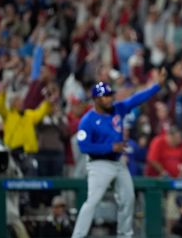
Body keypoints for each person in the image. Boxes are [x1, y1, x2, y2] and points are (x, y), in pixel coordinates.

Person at [71, 69, 166, 238]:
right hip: (98, 164)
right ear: (95, 99)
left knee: (128, 199)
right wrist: (109, 147)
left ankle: (124, 235)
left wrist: (156, 86)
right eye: (104, 96)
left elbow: (136, 99)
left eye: (109, 95)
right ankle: (78, 236)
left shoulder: (117, 109)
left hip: (118, 163)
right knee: (92, 202)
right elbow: (84, 146)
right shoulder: (88, 120)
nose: (109, 98)